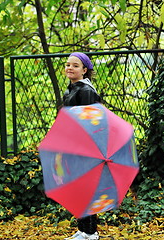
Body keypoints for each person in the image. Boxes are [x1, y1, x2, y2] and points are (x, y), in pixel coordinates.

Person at [63, 52, 101, 240]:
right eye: (68, 64)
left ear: (84, 70)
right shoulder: (70, 90)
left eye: (75, 65)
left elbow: (91, 122)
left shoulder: (86, 91)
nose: (70, 67)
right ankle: (82, 229)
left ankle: (91, 232)